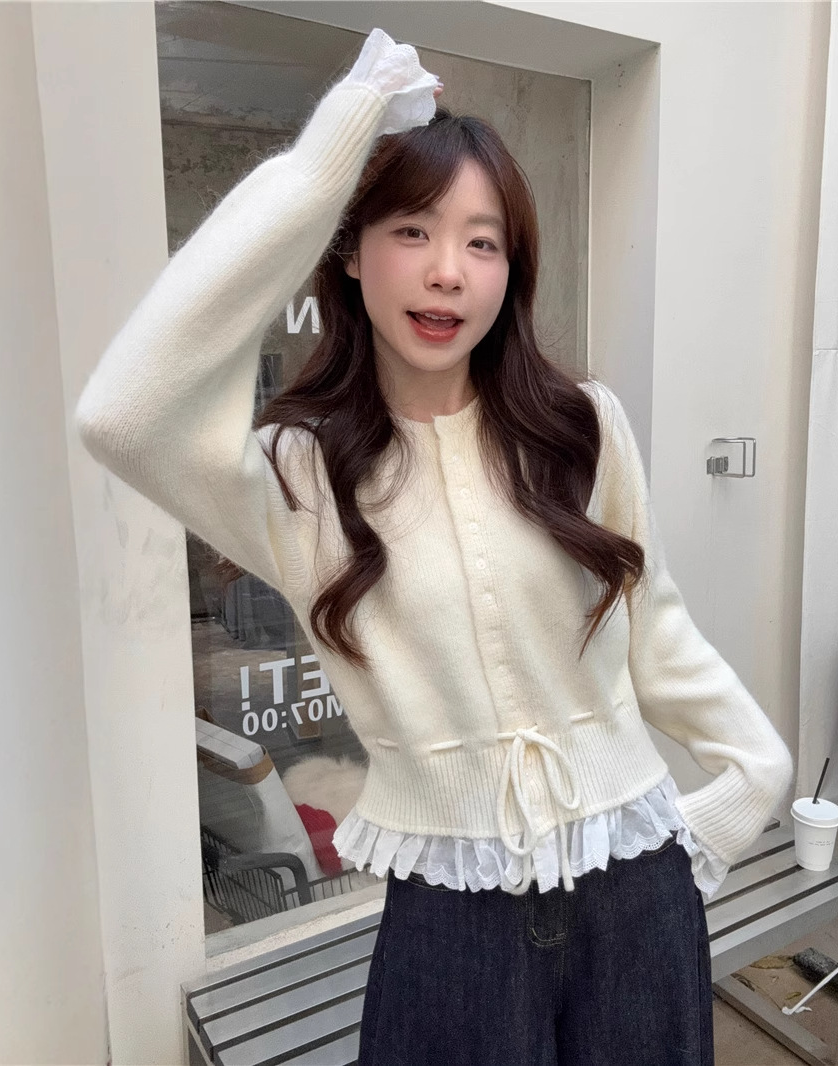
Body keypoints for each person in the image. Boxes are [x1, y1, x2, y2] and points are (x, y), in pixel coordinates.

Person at [75, 27, 793, 1066]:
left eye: (482, 242)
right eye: (411, 230)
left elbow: (658, 631)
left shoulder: (581, 426)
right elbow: (122, 416)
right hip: (452, 920)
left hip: (634, 891)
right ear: (350, 250)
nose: (448, 272)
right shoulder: (298, 475)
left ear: (511, 270)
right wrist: (331, 151)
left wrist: (749, 780)